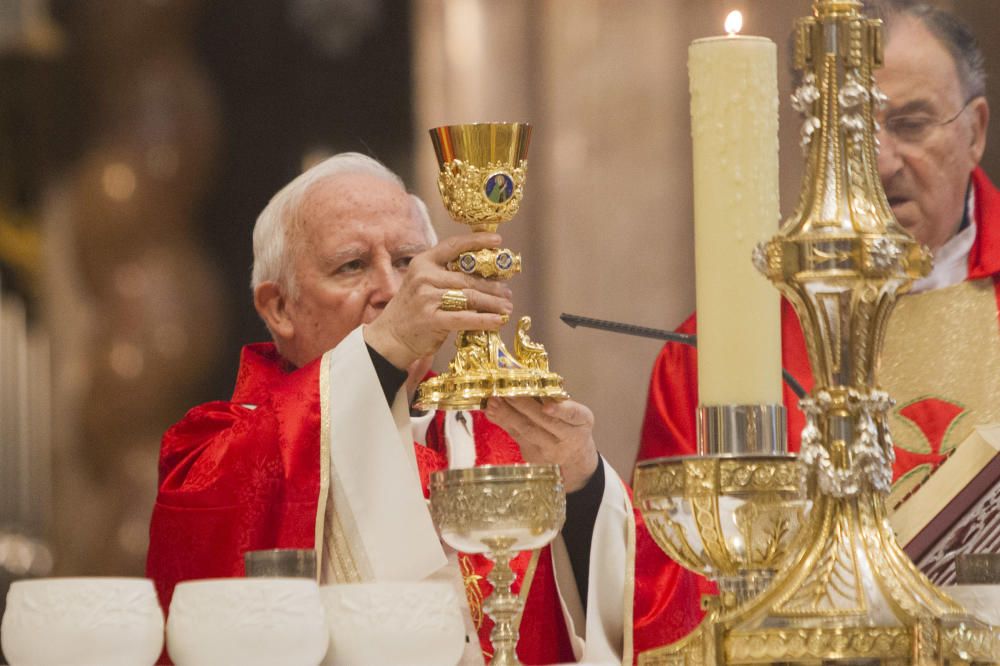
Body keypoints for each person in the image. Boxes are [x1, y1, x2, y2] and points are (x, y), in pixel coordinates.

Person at [147, 152, 703, 665]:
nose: (394, 289)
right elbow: (204, 550)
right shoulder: (214, 448)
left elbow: (659, 613)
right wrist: (385, 347)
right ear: (279, 307)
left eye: (409, 260)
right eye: (352, 266)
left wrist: (580, 484)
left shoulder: (503, 439)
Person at [639, 0, 1000, 572]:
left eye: (910, 124)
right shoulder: (713, 359)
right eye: (843, 131)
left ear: (976, 130)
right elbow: (676, 596)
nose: (879, 163)